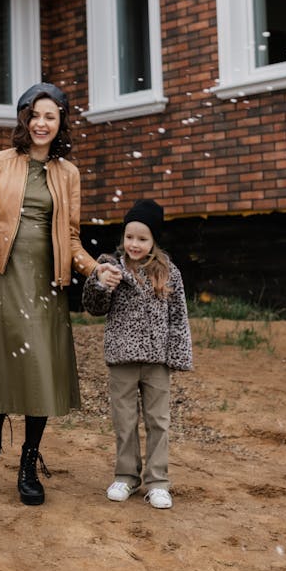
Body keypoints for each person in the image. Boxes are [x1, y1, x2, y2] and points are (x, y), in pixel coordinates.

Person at [0, 82, 119, 506]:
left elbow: (70, 236)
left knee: (40, 365)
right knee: (3, 350)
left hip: (47, 282)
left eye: (51, 116)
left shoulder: (68, 172)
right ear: (23, 119)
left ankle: (29, 463)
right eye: (35, 115)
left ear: (61, 121)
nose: (42, 123)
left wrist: (93, 268)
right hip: (1, 273)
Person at [82, 198, 193, 509]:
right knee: (125, 420)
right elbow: (93, 307)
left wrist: (178, 355)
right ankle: (126, 475)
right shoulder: (110, 268)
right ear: (123, 237)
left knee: (158, 420)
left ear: (154, 240)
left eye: (142, 238)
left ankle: (157, 481)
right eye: (129, 237)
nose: (134, 244)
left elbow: (178, 317)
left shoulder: (169, 273)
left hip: (157, 362)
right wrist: (102, 285)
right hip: (122, 360)